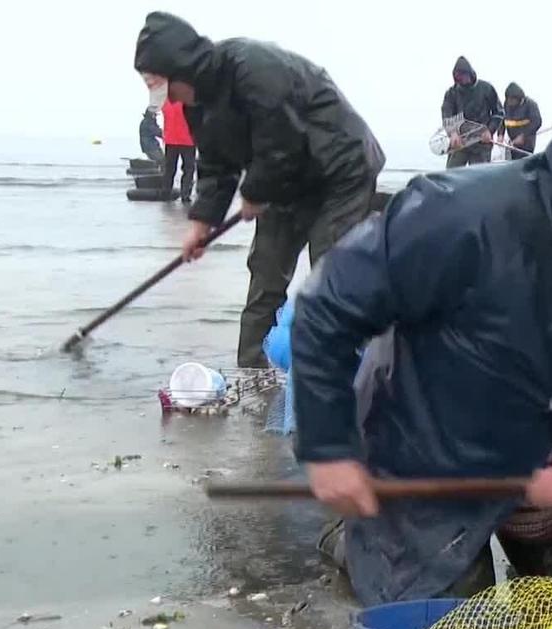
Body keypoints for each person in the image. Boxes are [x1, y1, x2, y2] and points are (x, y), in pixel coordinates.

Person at [291, 56, 552, 607]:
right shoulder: (455, 216)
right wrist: (327, 448)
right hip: (427, 456)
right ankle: (349, 538)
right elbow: (326, 309)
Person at [134, 12, 387, 370]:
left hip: (339, 169)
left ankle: (353, 372)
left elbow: (281, 137)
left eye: (164, 85)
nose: (167, 97)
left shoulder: (251, 65)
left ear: (180, 67)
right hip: (285, 183)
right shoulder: (194, 105)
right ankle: (253, 374)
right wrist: (200, 224)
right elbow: (216, 166)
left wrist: (254, 192)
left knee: (331, 272)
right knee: (266, 273)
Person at [441, 56, 503, 168]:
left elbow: (498, 113)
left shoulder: (487, 88)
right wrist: (452, 133)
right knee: (452, 174)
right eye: (459, 77)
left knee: (479, 178)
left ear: (470, 73)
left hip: (482, 143)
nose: (463, 80)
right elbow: (447, 115)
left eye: (464, 75)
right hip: (459, 142)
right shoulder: (451, 93)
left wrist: (490, 130)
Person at [160, 96, 196, 203]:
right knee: (188, 169)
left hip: (171, 139)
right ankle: (185, 195)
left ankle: (166, 194)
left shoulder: (166, 101)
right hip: (188, 140)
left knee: (169, 169)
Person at [502, 83, 542, 154]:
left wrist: (523, 136)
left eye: (512, 100)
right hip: (512, 142)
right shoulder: (506, 104)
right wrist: (500, 134)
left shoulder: (531, 105)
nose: (510, 102)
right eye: (508, 99)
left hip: (527, 143)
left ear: (519, 98)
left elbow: (537, 122)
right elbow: (503, 119)